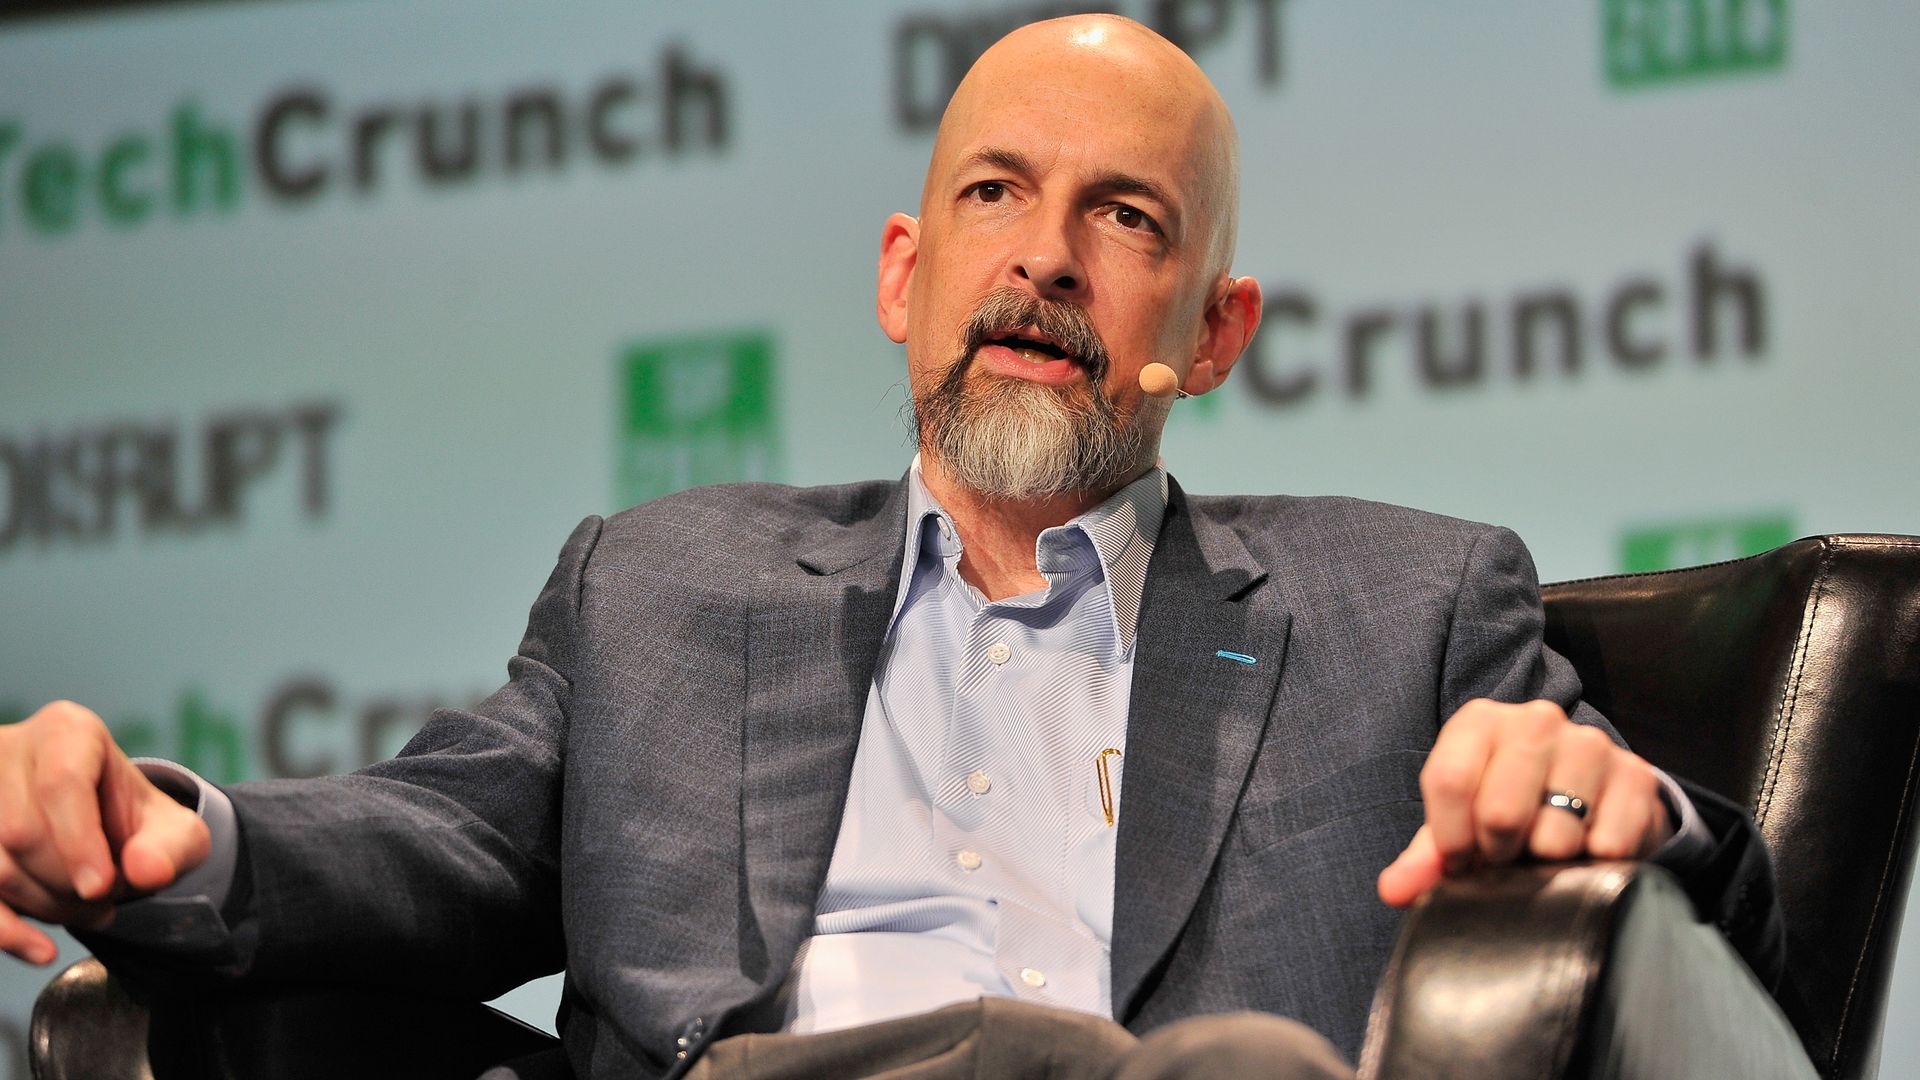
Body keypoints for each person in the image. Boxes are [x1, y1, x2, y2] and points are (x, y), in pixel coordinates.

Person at [0, 15, 1777, 1080]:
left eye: (1124, 216)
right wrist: (174, 835)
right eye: (993, 194)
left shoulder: (1408, 599)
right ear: (903, 279)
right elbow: (434, 837)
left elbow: (1700, 904)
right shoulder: (662, 592)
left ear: (1216, 328)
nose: (1046, 260)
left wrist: (1584, 796)